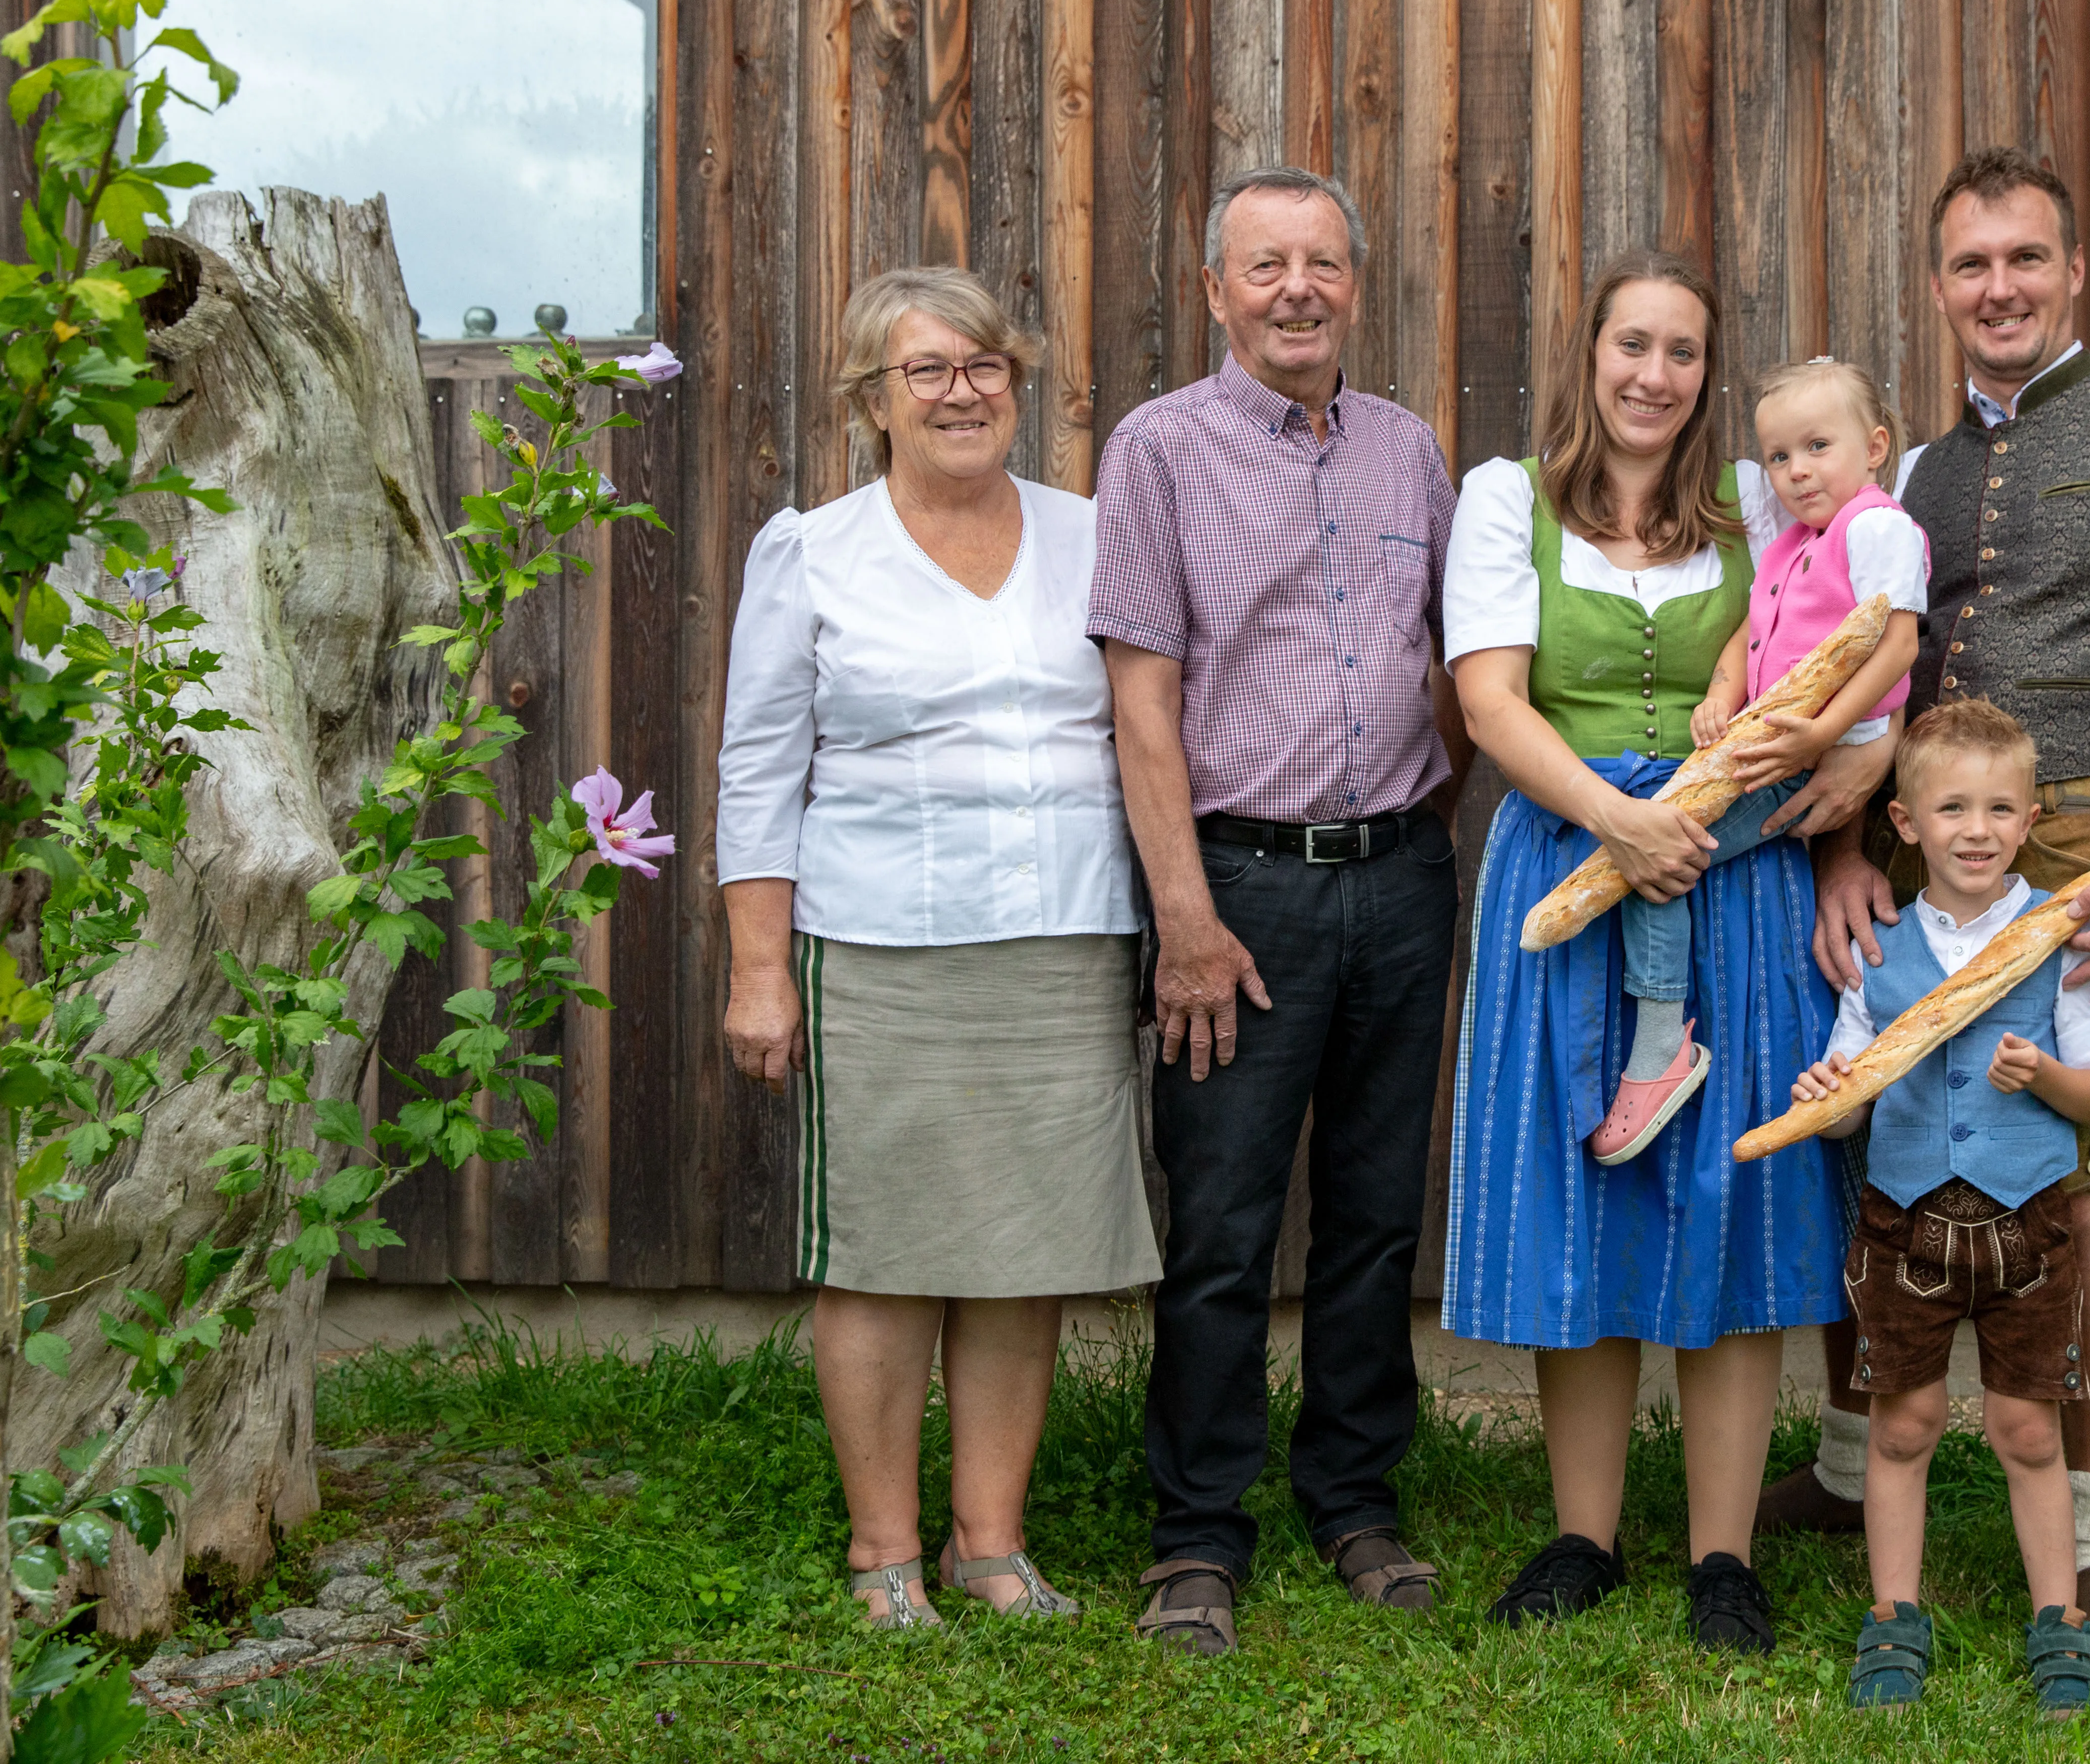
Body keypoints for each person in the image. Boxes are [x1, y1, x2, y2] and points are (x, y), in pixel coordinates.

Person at [1758, 147, 2090, 1656]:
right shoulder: (1898, 471)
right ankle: (1857, 1467)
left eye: (2024, 259)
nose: (1998, 288)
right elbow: (1852, 668)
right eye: (1970, 266)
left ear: (2073, 270)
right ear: (1936, 286)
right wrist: (1846, 847)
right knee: (1878, 1134)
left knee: (2075, 1173)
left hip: (2079, 834)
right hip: (1905, 833)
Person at [716, 265, 1159, 1629]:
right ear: (874, 400)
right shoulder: (813, 548)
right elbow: (757, 768)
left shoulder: (1094, 532)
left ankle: (991, 1541)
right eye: (929, 371)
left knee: (1023, 1246)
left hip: (1065, 931)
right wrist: (755, 966)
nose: (963, 392)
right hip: (883, 939)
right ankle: (882, 1552)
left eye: (986, 366)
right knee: (885, 1251)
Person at [1442, 251, 1853, 1656]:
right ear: (1589, 352)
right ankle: (1583, 1532)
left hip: (1734, 880)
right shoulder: (1505, 500)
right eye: (1631, 343)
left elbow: (1848, 650)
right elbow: (1490, 701)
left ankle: (1723, 1552)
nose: (1651, 375)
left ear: (1706, 377)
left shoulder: (1753, 503)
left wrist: (1814, 794)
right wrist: (1621, 822)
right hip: (1573, 858)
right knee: (1585, 1186)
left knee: (1730, 1197)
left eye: (1681, 352)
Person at [1088, 166, 1465, 1656]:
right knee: (1227, 1226)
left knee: (1375, 1218)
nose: (1294, 288)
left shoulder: (1410, 450)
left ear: (1352, 285)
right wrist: (1184, 915)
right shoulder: (1158, 451)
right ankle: (1196, 1532)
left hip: (1400, 877)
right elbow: (1141, 704)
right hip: (1236, 892)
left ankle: (1357, 1499)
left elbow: (1452, 655)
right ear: (1216, 290)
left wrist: (1414, 838)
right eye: (1265, 266)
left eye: (1320, 263)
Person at [1784, 700, 2090, 1717]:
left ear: (2028, 821)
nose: (1975, 829)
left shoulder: (2055, 936)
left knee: (2029, 1427)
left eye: (1997, 809)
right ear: (1904, 823)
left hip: (2028, 1225)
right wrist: (1825, 1098)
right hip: (1903, 1225)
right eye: (1952, 808)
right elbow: (1851, 1099)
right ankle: (1895, 1614)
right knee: (1906, 1422)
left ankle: (2060, 1621)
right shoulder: (1883, 954)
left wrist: (2049, 1076)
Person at [1589, 355, 1925, 1167]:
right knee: (1664, 845)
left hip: (1818, 750)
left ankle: (1664, 1043)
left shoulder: (1875, 527)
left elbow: (1894, 646)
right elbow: (1750, 634)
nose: (1796, 471)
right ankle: (1666, 1040)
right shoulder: (1788, 548)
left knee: (1661, 849)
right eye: (1778, 458)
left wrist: (1822, 735)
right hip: (1775, 741)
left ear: (1873, 446)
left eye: (1817, 447)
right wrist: (1718, 692)